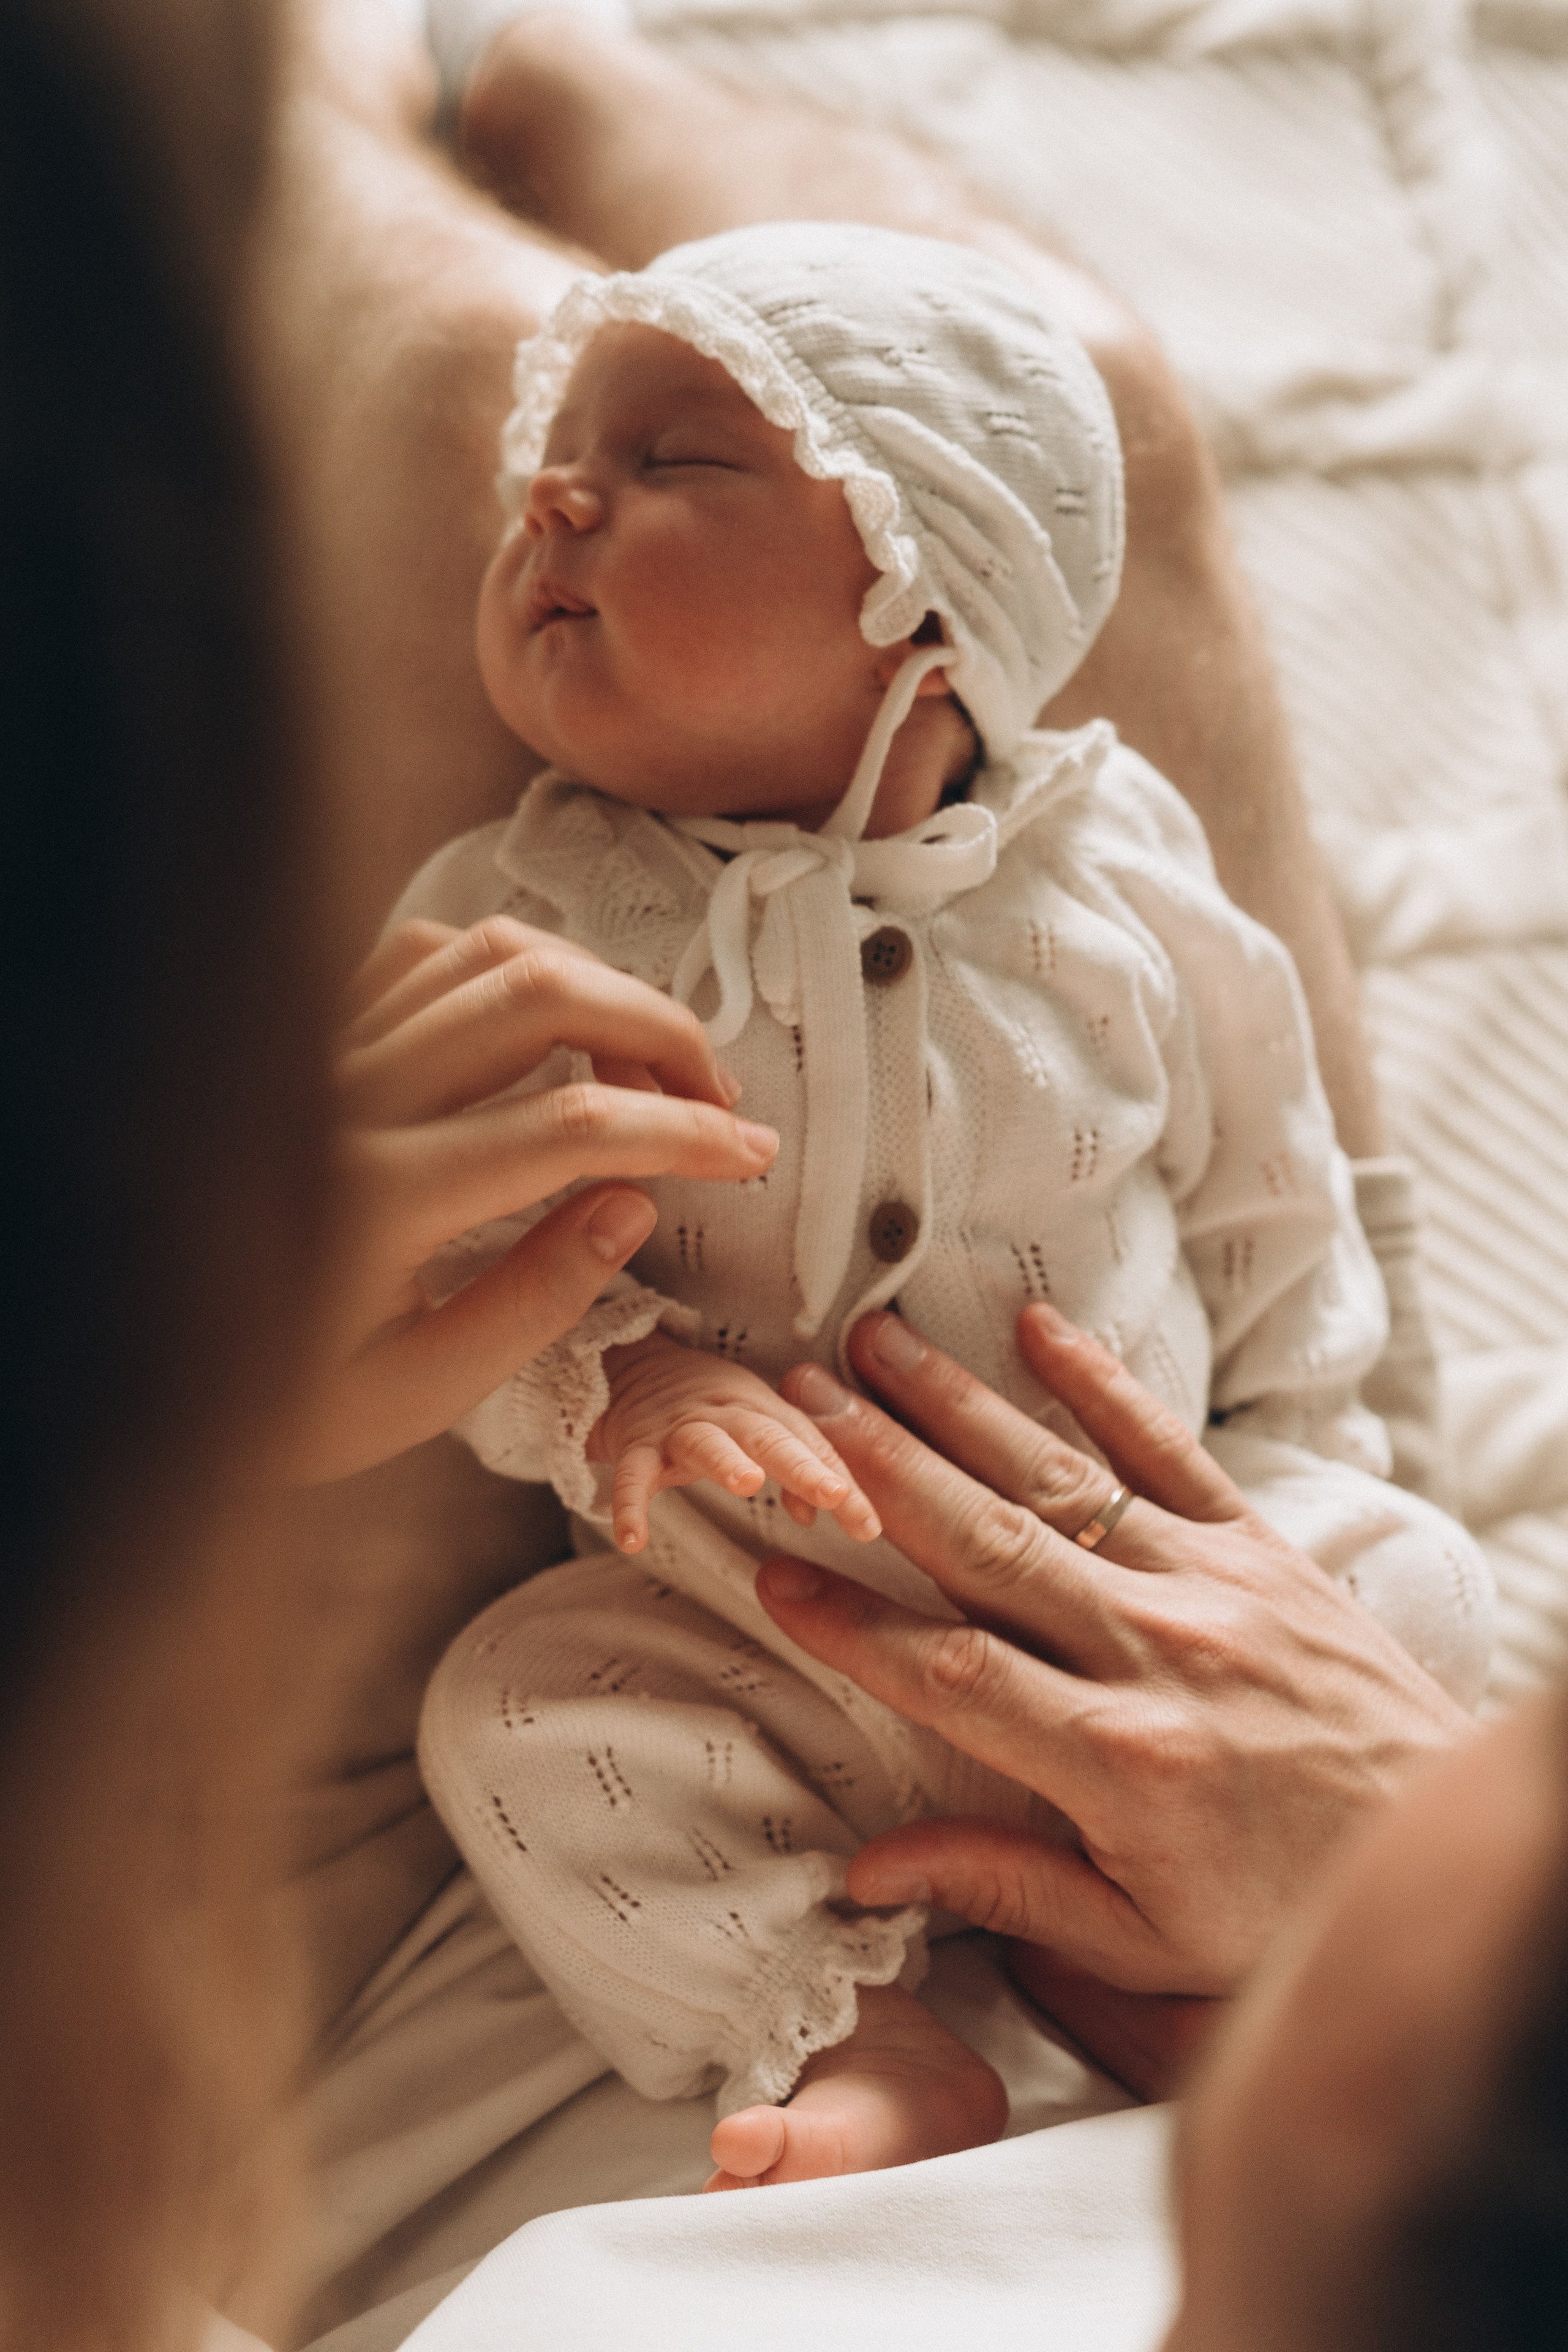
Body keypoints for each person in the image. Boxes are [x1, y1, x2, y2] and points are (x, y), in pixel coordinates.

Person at [398, 216, 1491, 2192]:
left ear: (925, 603)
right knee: (519, 1710)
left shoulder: (1115, 873)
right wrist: (614, 1394)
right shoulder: (525, 911)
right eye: (557, 463)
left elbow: (1268, 1178)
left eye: (675, 466)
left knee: (1420, 1576)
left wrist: (1292, 1500)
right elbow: (455, 1248)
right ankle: (855, 2022)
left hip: (1155, 1617)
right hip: (761, 1638)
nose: (554, 494)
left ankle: (1197, 1955)